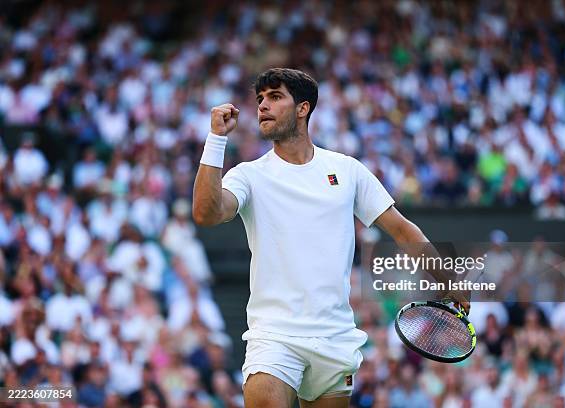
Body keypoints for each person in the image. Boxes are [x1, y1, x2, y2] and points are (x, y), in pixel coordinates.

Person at [192, 68, 469, 408]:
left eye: (275, 97)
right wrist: (215, 139)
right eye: (260, 99)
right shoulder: (248, 176)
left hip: (335, 337)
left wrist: (448, 278)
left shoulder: (348, 170)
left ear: (302, 108)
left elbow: (402, 230)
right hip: (273, 335)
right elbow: (206, 214)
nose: (263, 105)